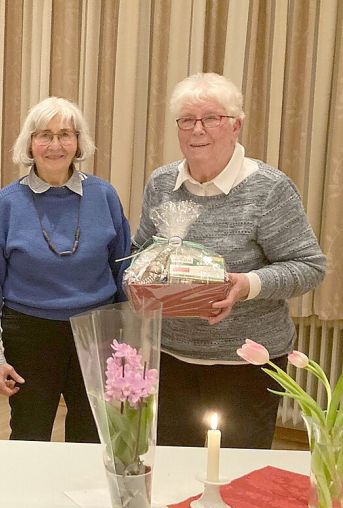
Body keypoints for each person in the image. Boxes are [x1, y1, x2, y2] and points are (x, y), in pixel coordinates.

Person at [135, 73, 326, 448]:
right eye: (187, 120)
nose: (197, 130)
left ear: (236, 125)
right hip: (172, 357)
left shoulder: (268, 188)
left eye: (211, 118)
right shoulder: (161, 183)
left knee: (239, 475)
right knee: (174, 470)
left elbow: (309, 266)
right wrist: (140, 278)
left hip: (246, 363)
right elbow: (143, 248)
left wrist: (247, 285)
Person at [0, 97, 131, 443]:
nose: (55, 145)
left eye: (65, 135)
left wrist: (127, 346)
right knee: (29, 432)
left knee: (92, 435)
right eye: (44, 135)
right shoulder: (6, 203)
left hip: (95, 332)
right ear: (30, 143)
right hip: (29, 334)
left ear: (78, 142)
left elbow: (124, 275)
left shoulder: (105, 196)